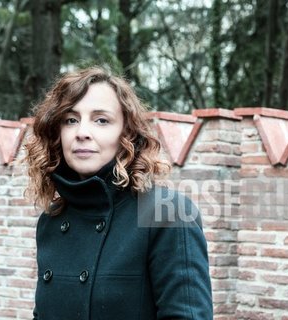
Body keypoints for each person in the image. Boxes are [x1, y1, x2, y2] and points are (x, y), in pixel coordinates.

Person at [23, 66, 213, 320]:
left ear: (127, 134)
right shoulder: (51, 220)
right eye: (71, 119)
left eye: (101, 120)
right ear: (57, 133)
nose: (82, 133)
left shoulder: (166, 212)